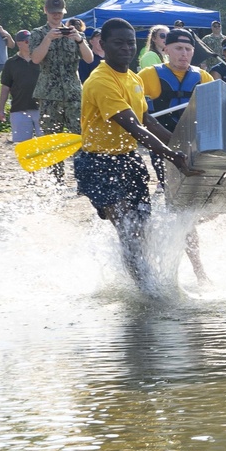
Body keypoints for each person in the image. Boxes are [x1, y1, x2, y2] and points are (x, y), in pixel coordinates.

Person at [73, 18, 198, 289]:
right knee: (127, 229)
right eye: (118, 43)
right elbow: (134, 127)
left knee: (141, 229)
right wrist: (173, 156)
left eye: (130, 43)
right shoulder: (100, 81)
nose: (126, 48)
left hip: (129, 161)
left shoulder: (132, 79)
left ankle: (143, 281)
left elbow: (148, 120)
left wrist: (182, 147)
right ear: (102, 46)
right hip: (98, 164)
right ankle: (148, 292)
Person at [136, 27, 213, 282]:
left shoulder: (203, 77)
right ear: (165, 49)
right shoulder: (148, 75)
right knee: (182, 209)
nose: (184, 54)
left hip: (193, 151)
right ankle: (196, 270)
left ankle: (184, 255)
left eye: (189, 49)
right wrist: (170, 146)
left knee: (186, 209)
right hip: (163, 149)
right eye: (178, 49)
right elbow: (139, 114)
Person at [29, 0, 94, 180]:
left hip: (73, 92)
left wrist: (79, 40)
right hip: (49, 93)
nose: (56, 16)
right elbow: (35, 59)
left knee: (79, 135)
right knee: (52, 137)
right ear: (46, 11)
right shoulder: (38, 33)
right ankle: (56, 179)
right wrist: (48, 39)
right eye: (53, 12)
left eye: (59, 13)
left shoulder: (74, 33)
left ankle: (83, 178)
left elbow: (89, 59)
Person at [0, 30, 41, 143]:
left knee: (46, 145)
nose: (30, 43)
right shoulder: (10, 63)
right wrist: (1, 109)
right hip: (19, 108)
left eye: (32, 41)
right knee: (21, 146)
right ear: (18, 43)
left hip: (43, 108)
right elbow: (5, 87)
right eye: (27, 41)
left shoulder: (42, 59)